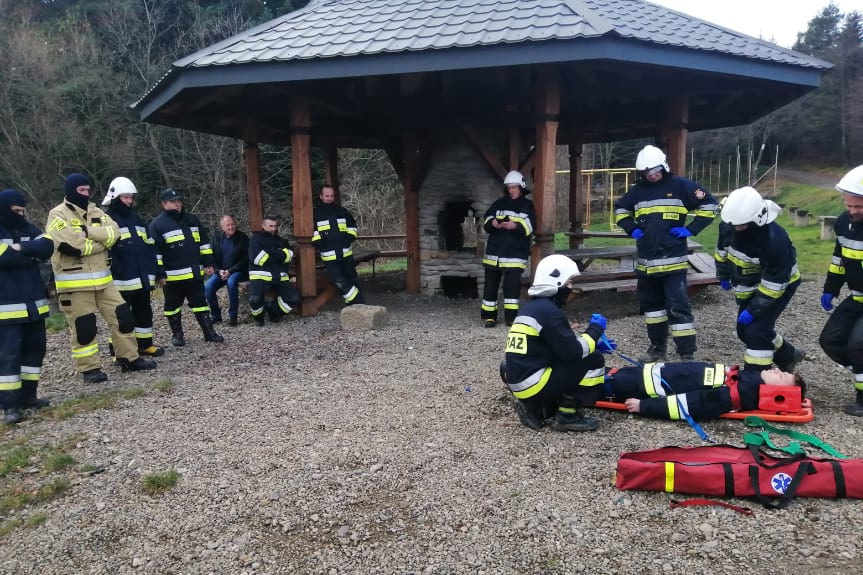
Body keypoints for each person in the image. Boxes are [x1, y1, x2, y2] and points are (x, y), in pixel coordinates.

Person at [46, 173, 156, 382]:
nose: (86, 193)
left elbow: (114, 234)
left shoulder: (96, 210)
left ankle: (129, 358)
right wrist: (100, 241)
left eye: (88, 190)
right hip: (75, 285)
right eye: (82, 190)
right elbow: (71, 246)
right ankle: (90, 369)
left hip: (104, 282)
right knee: (84, 327)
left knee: (123, 317)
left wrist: (87, 232)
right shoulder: (57, 216)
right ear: (71, 191)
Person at [614, 145, 718, 362]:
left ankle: (686, 354)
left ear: (664, 166)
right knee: (652, 310)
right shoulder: (637, 191)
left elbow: (710, 205)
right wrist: (631, 227)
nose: (651, 175)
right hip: (646, 264)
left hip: (674, 264)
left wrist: (692, 228)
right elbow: (620, 209)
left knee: (678, 308)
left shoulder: (681, 185)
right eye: (647, 173)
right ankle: (657, 348)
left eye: (655, 171)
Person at [501, 254, 612, 432]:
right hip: (534, 383)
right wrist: (595, 331)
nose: (570, 288)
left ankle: (536, 408)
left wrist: (590, 341)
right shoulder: (550, 312)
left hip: (518, 380)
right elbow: (573, 353)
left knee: (577, 357)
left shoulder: (531, 308)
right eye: (568, 283)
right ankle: (567, 415)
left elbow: (554, 344)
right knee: (594, 360)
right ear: (557, 283)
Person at [715, 186, 805, 372]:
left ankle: (756, 379)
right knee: (743, 331)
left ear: (757, 218)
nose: (736, 229)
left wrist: (754, 310)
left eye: (742, 225)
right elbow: (722, 251)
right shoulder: (730, 224)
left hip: (779, 285)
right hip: (750, 284)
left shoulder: (774, 241)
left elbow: (773, 286)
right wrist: (723, 274)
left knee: (756, 331)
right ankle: (788, 355)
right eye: (734, 225)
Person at [0, 189, 54, 423]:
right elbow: (4, 258)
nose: (21, 212)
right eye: (17, 208)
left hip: (34, 306)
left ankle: (29, 397)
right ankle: (10, 406)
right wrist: (28, 255)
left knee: (35, 352)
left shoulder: (29, 228)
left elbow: (47, 247)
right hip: (7, 308)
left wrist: (21, 250)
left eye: (23, 208)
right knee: (9, 358)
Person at [605, 362, 805, 421]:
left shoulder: (735, 394)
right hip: (640, 375)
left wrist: (645, 406)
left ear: (774, 391)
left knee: (590, 382)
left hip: (636, 387)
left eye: (781, 376)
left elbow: (688, 404)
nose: (777, 369)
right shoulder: (745, 380)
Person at [149, 189, 223, 346]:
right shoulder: (157, 225)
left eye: (179, 200)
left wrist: (209, 263)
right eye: (173, 201)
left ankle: (209, 332)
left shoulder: (192, 219)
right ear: (164, 204)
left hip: (194, 273)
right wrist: (159, 274)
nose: (177, 204)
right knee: (172, 307)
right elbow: (155, 253)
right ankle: (177, 335)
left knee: (201, 304)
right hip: (172, 277)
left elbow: (204, 244)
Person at [102, 177, 163, 358]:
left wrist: (157, 271)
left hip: (142, 278)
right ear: (115, 197)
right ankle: (118, 349)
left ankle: (145, 345)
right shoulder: (107, 220)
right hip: (120, 280)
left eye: (131, 197)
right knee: (121, 317)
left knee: (144, 312)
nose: (129, 201)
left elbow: (150, 247)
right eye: (126, 197)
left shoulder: (138, 220)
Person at [820, 165, 863, 416]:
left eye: (858, 207)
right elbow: (839, 259)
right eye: (849, 205)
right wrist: (830, 289)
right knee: (830, 340)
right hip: (857, 296)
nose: (852, 211)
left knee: (858, 345)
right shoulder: (844, 223)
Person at [481, 170, 536, 328]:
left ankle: (511, 319)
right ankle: (489, 317)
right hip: (494, 254)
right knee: (490, 287)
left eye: (514, 187)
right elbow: (487, 219)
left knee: (511, 289)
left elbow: (530, 226)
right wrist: (492, 223)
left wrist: (515, 225)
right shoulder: (498, 203)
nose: (511, 190)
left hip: (515, 254)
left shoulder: (527, 206)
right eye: (509, 187)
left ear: (521, 187)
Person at [312, 185, 364, 305]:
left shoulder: (342, 211)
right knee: (338, 281)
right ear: (321, 196)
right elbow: (312, 231)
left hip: (346, 253)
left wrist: (349, 238)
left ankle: (353, 305)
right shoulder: (315, 213)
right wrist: (319, 243)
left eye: (332, 196)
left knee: (351, 278)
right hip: (329, 255)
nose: (330, 198)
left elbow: (352, 227)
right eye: (327, 196)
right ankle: (359, 301)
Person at [247, 215, 301, 326]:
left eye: (275, 226)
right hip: (259, 275)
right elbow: (257, 258)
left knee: (294, 298)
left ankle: (273, 311)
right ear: (263, 226)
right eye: (270, 226)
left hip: (280, 276)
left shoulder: (283, 241)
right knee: (254, 300)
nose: (273, 229)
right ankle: (259, 318)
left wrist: (269, 254)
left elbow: (289, 257)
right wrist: (279, 255)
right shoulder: (255, 240)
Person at [205, 214, 249, 326]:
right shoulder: (217, 238)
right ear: (222, 227)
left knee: (231, 282)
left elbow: (245, 260)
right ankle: (215, 316)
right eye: (228, 225)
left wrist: (230, 271)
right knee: (208, 287)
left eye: (233, 224)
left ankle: (233, 317)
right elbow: (212, 256)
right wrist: (218, 270)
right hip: (220, 271)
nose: (231, 227)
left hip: (237, 271)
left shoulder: (243, 238)